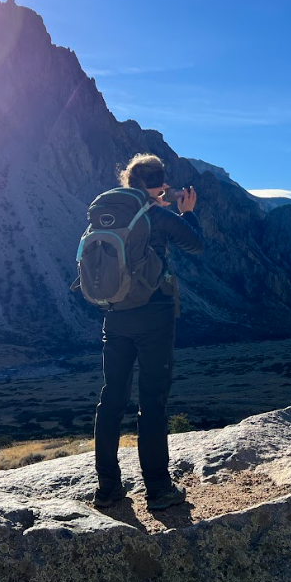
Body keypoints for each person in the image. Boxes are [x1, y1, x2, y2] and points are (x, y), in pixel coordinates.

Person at [91, 153, 203, 511]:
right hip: (154, 316)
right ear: (157, 185)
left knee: (111, 399)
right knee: (152, 401)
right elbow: (195, 243)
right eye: (164, 186)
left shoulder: (105, 211)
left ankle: (107, 488)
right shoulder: (157, 216)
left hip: (115, 315)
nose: (167, 191)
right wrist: (187, 211)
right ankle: (158, 490)